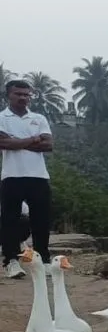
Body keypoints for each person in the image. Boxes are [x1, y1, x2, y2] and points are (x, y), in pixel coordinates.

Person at [0, 79, 54, 279]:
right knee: (10, 220)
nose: (23, 98)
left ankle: (43, 260)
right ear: (9, 95)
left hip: (38, 175)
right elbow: (3, 143)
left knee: (41, 220)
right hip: (12, 175)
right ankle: (11, 261)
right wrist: (33, 139)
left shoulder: (39, 118)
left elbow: (48, 145)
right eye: (18, 94)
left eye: (26, 94)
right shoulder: (2, 117)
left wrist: (15, 141)